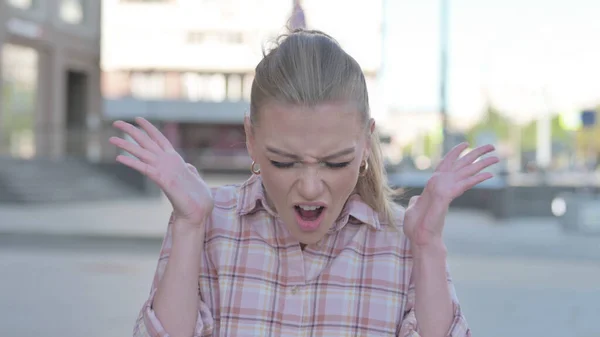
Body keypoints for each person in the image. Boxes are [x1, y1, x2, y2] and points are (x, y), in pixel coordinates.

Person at [110, 29, 498, 337]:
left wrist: (429, 248)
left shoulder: (407, 240)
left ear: (366, 143)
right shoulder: (207, 223)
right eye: (284, 161)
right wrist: (190, 226)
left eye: (335, 162)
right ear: (251, 139)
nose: (310, 187)